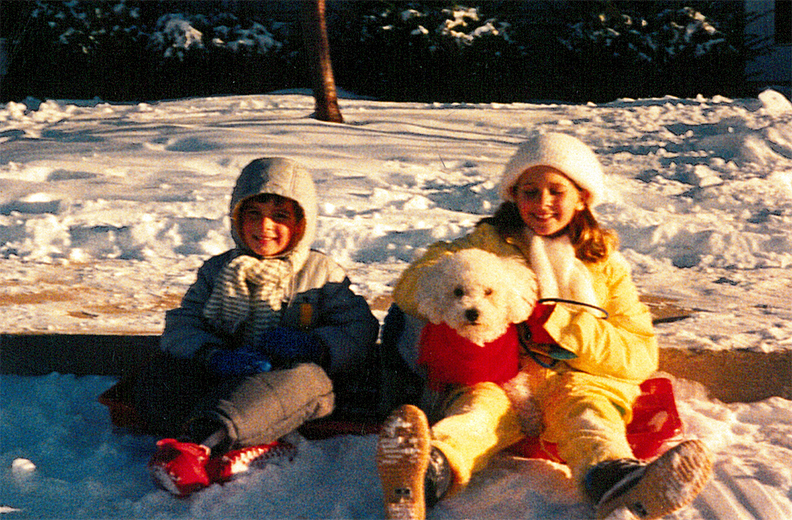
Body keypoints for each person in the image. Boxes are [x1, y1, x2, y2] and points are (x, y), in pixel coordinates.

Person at [376, 133, 713, 520]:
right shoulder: (486, 244)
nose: (542, 204)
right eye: (529, 191)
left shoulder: (606, 268)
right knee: (479, 413)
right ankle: (425, 473)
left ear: (582, 196)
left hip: (578, 378)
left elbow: (639, 354)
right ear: (513, 194)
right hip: (501, 375)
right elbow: (410, 285)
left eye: (556, 191)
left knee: (588, 415)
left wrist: (561, 322)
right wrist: (455, 289)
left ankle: (616, 481)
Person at [130, 157, 379, 496]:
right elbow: (180, 326)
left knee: (306, 379)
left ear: (302, 223)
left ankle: (195, 447)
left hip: (287, 381)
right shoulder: (218, 270)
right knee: (159, 372)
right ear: (237, 218)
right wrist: (211, 354)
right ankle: (241, 448)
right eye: (253, 214)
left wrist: (316, 345)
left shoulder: (321, 273)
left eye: (280, 216)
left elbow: (360, 328)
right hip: (228, 373)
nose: (265, 226)